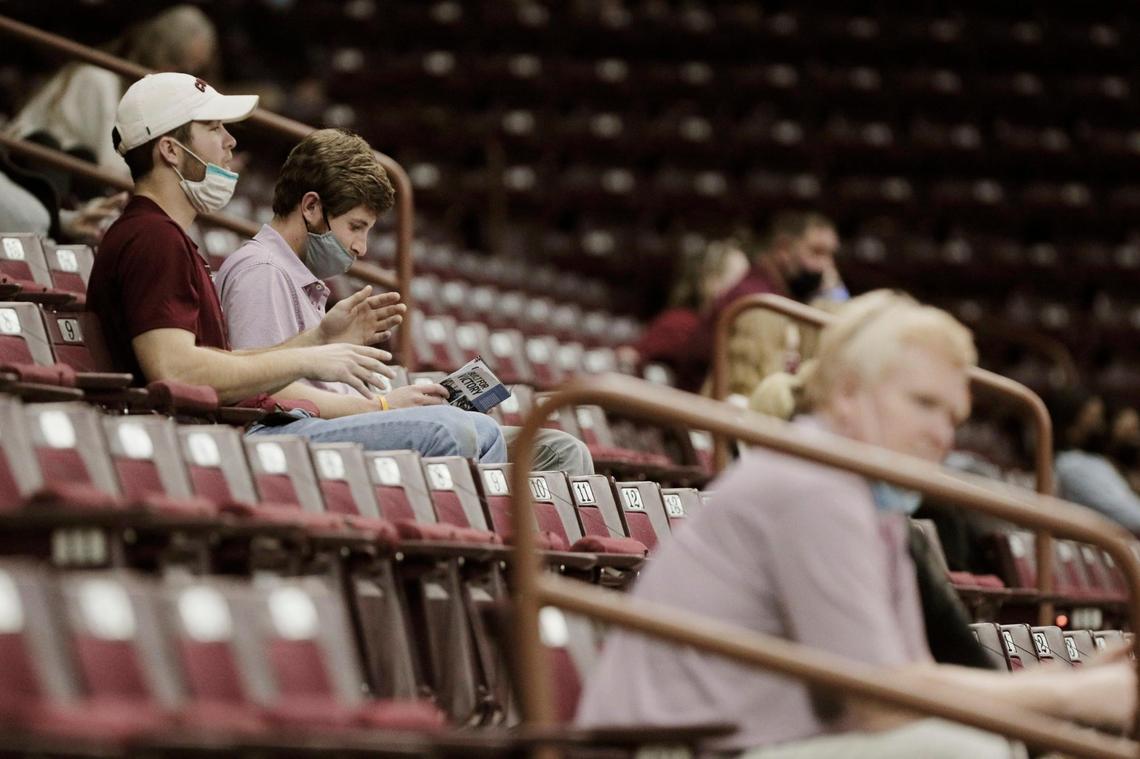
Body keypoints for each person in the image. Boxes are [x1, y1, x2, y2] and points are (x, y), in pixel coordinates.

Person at [576, 291, 1135, 758]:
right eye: (922, 403)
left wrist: (1064, 681)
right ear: (846, 393)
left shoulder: (867, 498)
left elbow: (905, 676)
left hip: (738, 741)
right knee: (962, 751)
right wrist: (1074, 698)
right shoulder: (813, 484)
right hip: (670, 748)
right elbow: (882, 703)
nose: (942, 434)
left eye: (953, 416)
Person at [86, 72, 505, 463]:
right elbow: (175, 370)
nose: (230, 142)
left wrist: (317, 340)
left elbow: (214, 360)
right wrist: (311, 362)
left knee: (486, 432)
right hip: (204, 447)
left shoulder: (162, 236)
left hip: (215, 436)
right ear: (171, 149)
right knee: (454, 429)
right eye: (213, 128)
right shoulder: (152, 238)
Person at [215, 128, 592, 475]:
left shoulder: (304, 278)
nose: (361, 248)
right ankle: (475, 543)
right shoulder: (262, 270)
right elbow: (262, 393)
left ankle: (529, 544)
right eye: (356, 227)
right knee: (464, 429)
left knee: (561, 452)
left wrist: (396, 398)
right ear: (311, 207)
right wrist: (382, 408)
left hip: (331, 422)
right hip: (281, 435)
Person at [7, 5, 218, 179]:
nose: (185, 82)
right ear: (160, 55)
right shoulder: (99, 80)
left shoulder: (137, 96)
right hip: (26, 174)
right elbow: (114, 171)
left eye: (194, 72)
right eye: (181, 68)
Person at [702, 211, 843, 397]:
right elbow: (745, 394)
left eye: (830, 255)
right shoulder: (754, 303)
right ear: (783, 249)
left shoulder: (790, 299)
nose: (826, 266)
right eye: (816, 252)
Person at [632, 237, 749, 392]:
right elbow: (631, 359)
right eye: (740, 282)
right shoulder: (680, 324)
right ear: (710, 281)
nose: (747, 292)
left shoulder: (736, 334)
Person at [1049, 388, 1140, 534]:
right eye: (1094, 420)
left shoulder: (1096, 462)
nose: (1101, 427)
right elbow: (1131, 518)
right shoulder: (1075, 465)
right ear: (1071, 428)